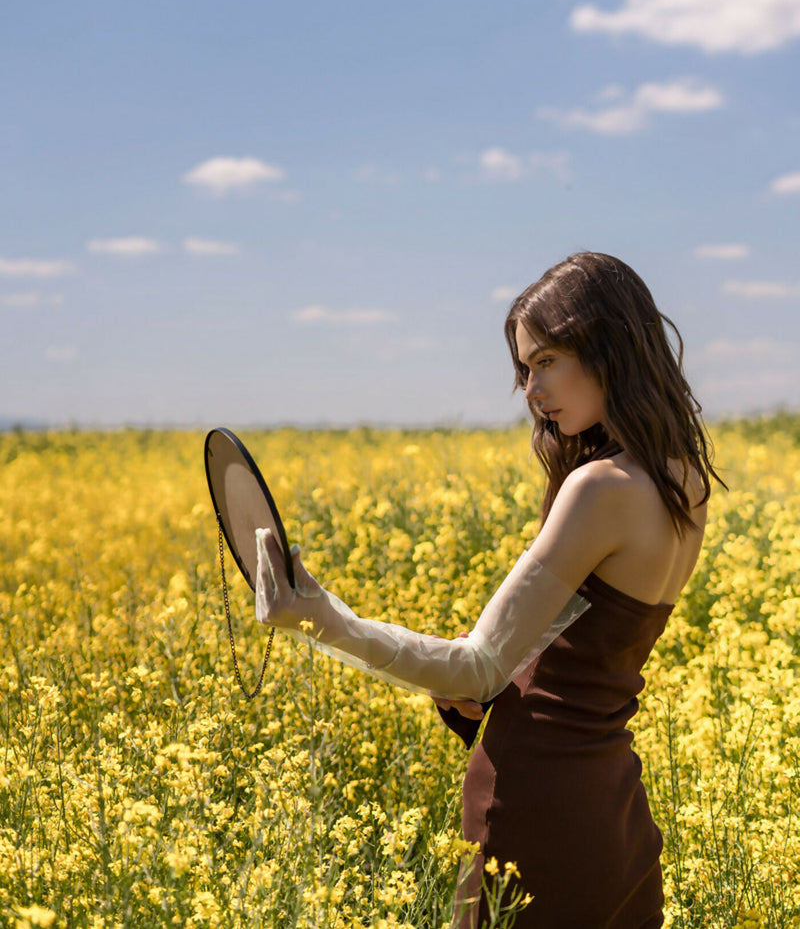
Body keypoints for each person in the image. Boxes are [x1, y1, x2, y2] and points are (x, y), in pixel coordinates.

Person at [254, 252, 721, 928]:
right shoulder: (686, 480)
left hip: (538, 809)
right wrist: (496, 681)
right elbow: (585, 647)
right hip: (614, 813)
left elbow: (476, 664)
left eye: (547, 360)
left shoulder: (600, 488)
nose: (531, 390)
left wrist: (320, 618)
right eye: (525, 369)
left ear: (609, 345)